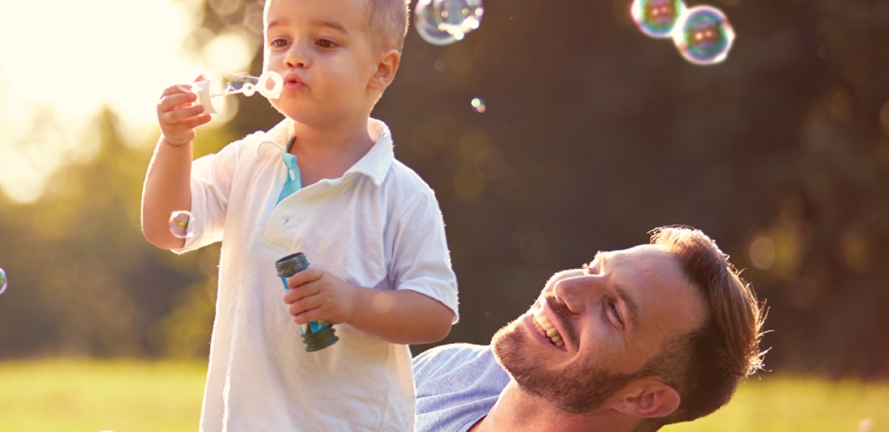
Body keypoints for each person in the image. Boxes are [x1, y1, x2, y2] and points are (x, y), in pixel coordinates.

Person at [138, 0, 459, 429]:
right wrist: (176, 144)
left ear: (380, 70)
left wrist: (354, 303)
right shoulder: (247, 162)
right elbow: (166, 228)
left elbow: (435, 311)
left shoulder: (401, 195)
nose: (293, 56)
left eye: (324, 42)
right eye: (279, 40)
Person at [413, 226, 767, 432]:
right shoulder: (450, 370)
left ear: (644, 398)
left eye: (613, 310)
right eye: (592, 268)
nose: (564, 288)